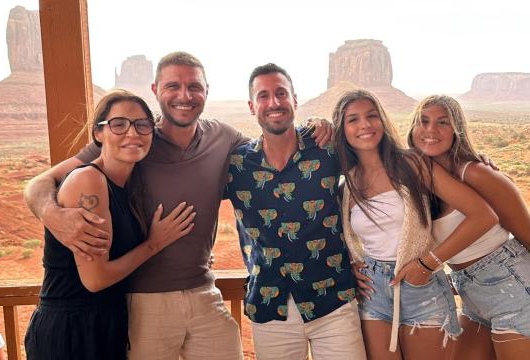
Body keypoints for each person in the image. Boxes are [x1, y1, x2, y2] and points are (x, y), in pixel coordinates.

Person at [23, 52, 332, 360]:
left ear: (206, 91)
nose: (185, 96)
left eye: (194, 87)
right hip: (143, 302)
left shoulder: (223, 138)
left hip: (203, 293)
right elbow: (40, 183)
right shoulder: (132, 138)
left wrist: (313, 126)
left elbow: (272, 148)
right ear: (156, 90)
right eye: (173, 86)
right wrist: (53, 215)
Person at [23, 89, 195, 359]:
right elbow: (95, 279)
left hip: (104, 323)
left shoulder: (128, 184)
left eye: (142, 124)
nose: (132, 133)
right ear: (98, 134)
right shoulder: (89, 181)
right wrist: (155, 243)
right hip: (71, 332)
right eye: (118, 124)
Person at [407, 95, 530, 360]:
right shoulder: (420, 175)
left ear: (457, 130)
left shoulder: (477, 174)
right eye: (424, 121)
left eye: (443, 122)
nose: (431, 130)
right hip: (474, 299)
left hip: (521, 295)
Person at [333, 89, 499, 360]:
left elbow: (484, 215)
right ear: (343, 130)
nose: (364, 125)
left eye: (371, 115)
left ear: (382, 121)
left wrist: (429, 263)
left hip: (422, 288)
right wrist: (349, 266)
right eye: (353, 119)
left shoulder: (412, 164)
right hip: (372, 292)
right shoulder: (346, 185)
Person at [224, 63, 366, 360]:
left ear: (294, 100)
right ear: (252, 106)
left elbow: (380, 166)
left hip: (333, 303)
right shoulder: (236, 165)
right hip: (270, 306)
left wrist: (462, 162)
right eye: (263, 96)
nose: (274, 102)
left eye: (281, 93)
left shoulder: (327, 149)